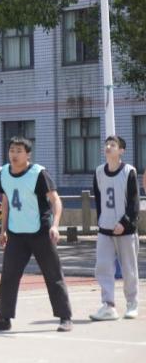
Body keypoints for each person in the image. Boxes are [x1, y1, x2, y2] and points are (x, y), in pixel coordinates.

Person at [0, 136, 73, 333]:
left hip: (40, 231)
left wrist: (55, 226)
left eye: (19, 151)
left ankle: (65, 317)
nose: (14, 155)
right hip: (16, 233)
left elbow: (55, 200)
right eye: (11, 150)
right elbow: (5, 201)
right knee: (8, 277)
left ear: (28, 155)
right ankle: (4, 318)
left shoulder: (38, 173)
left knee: (53, 274)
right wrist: (3, 230)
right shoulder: (4, 173)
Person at [90, 135, 139, 321]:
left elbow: (134, 203)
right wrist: (102, 221)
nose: (108, 147)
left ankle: (132, 303)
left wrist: (124, 223)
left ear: (121, 151)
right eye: (107, 144)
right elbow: (99, 200)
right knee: (103, 267)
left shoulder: (128, 171)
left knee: (129, 268)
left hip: (125, 230)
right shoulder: (99, 172)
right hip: (105, 229)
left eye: (113, 145)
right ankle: (108, 306)